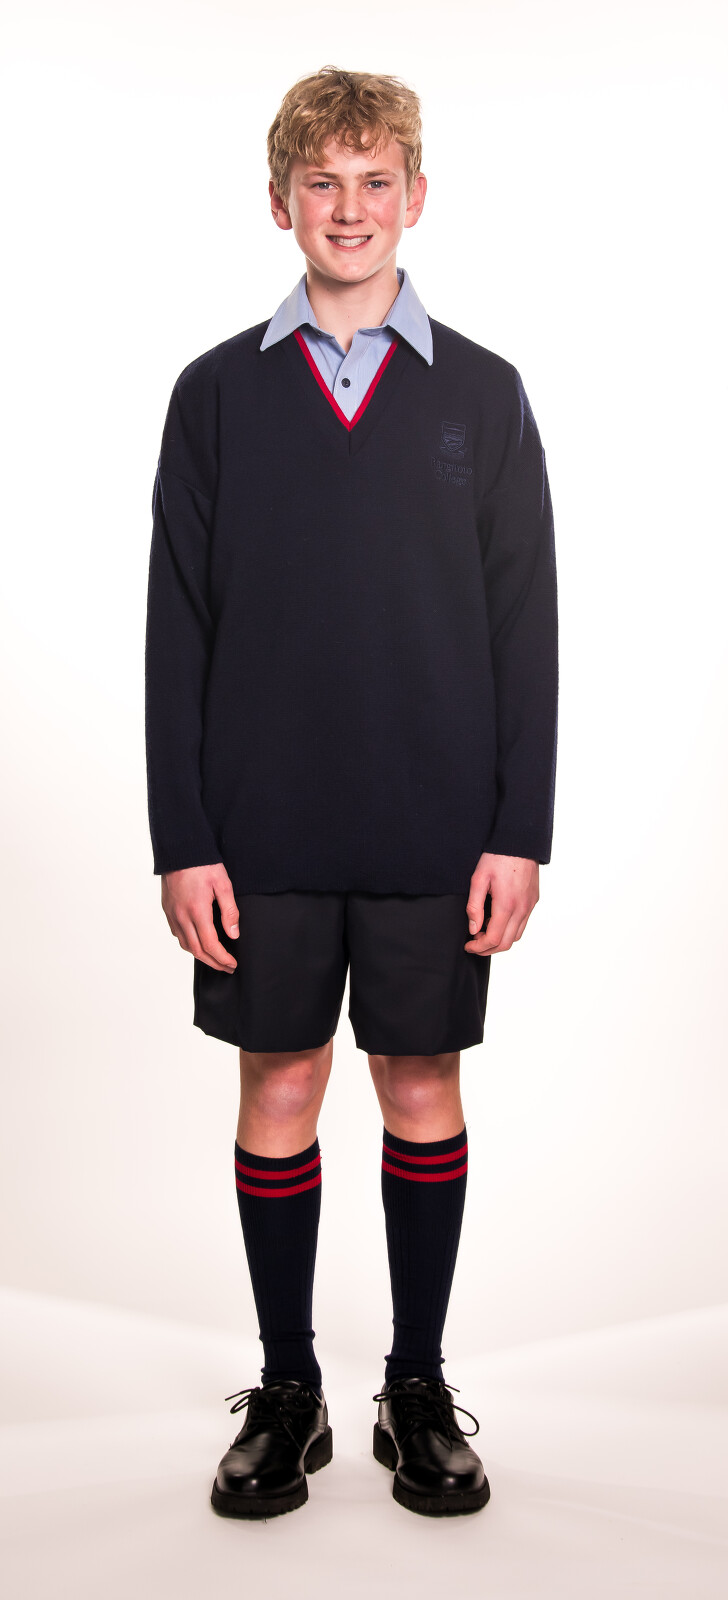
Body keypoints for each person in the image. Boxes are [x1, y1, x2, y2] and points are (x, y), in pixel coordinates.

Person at [144, 63, 558, 1522]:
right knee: (280, 1083)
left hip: (435, 820)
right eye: (322, 182)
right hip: (256, 827)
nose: (349, 207)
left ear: (416, 198)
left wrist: (519, 828)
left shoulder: (484, 394)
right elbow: (175, 624)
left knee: (421, 1085)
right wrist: (183, 837)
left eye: (376, 180)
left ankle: (418, 1387)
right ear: (281, 204)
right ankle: (289, 1389)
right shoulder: (215, 395)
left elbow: (526, 623)